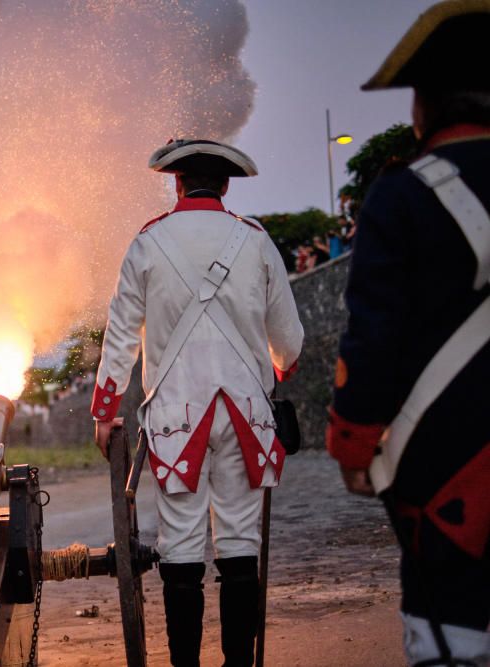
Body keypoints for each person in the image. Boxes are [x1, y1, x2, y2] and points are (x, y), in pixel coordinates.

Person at [92, 139, 303, 667]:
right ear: (226, 185)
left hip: (176, 421)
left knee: (180, 544)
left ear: (177, 183)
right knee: (238, 540)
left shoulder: (147, 242)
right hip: (247, 417)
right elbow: (290, 345)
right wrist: (272, 369)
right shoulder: (255, 240)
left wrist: (104, 412)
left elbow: (119, 338)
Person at [327, 2, 490, 664]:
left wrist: (354, 445)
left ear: (425, 106)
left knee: (452, 632)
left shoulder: (401, 197)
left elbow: (372, 341)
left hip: (448, 463)